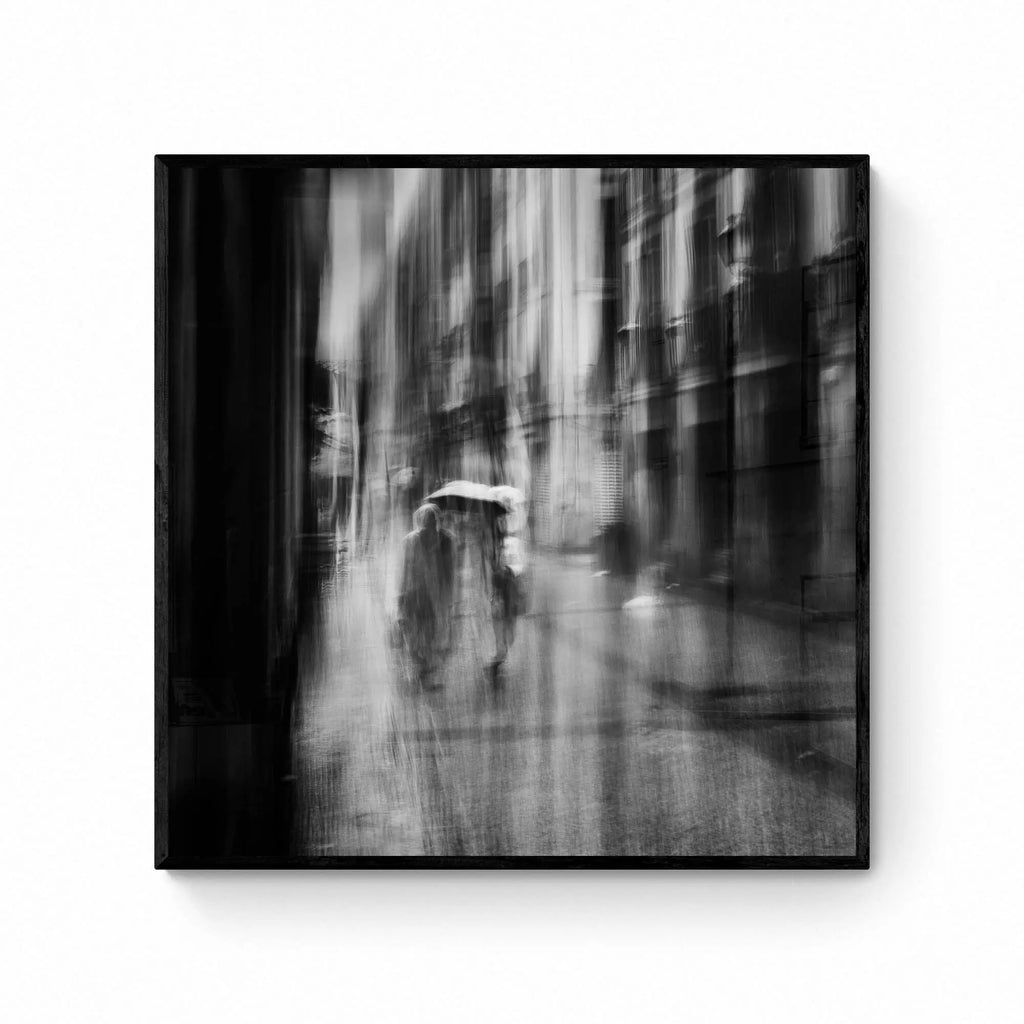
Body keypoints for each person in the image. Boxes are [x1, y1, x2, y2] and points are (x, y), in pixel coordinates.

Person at [397, 503, 456, 685]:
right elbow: (404, 570)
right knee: (413, 634)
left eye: (433, 522)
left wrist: (449, 597)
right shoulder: (410, 542)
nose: (430, 526)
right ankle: (421, 665)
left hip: (431, 596)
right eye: (426, 522)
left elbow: (449, 571)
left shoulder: (445, 540)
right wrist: (401, 596)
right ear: (420, 522)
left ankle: (426, 668)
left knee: (430, 632)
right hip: (413, 595)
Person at [489, 508, 527, 669]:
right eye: (498, 525)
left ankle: (505, 644)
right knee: (497, 619)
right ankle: (500, 650)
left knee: (510, 621)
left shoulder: (514, 544)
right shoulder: (491, 547)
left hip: (510, 587)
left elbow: (521, 565)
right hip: (497, 589)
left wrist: (509, 570)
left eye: (503, 524)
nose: (500, 528)